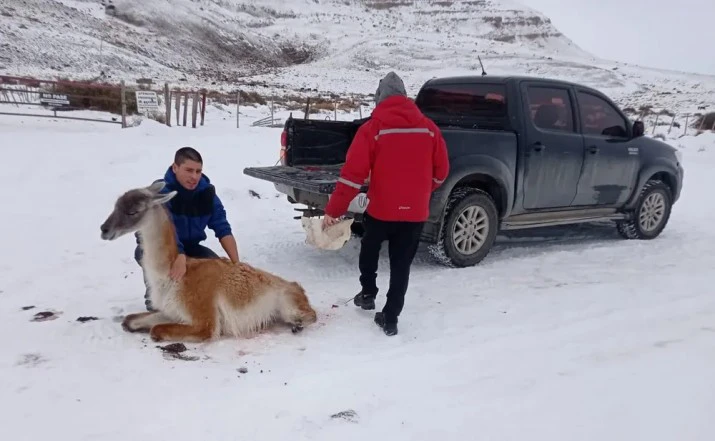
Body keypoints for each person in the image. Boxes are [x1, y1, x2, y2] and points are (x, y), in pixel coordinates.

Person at [322, 71, 449, 336]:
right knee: (401, 264)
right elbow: (441, 172)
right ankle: (390, 318)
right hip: (415, 213)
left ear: (380, 98)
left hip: (382, 210)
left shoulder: (374, 128)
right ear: (405, 97)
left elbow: (351, 176)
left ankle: (368, 293)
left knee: (369, 249)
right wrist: (421, 191)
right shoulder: (429, 129)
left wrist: (334, 211)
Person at [134, 146, 240, 311]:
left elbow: (223, 228)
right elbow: (163, 231)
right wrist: (180, 256)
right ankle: (154, 299)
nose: (194, 177)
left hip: (191, 247)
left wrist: (236, 264)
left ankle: (196, 298)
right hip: (161, 248)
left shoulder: (207, 194)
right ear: (175, 168)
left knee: (217, 268)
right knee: (143, 252)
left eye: (198, 171)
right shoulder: (160, 193)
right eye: (189, 170)